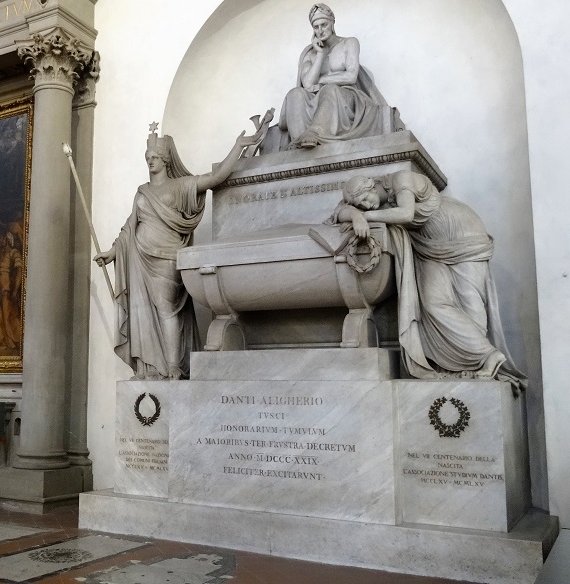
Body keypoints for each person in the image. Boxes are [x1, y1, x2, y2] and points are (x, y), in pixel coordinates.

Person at [95, 119, 268, 380]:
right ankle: (153, 367)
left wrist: (238, 147)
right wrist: (111, 252)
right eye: (148, 157)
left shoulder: (181, 186)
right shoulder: (141, 191)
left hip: (166, 259)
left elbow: (215, 178)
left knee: (166, 309)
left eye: (155, 156)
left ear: (165, 160)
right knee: (143, 312)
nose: (150, 161)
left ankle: (173, 365)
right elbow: (130, 227)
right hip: (139, 258)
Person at [333, 170, 526, 391]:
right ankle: (484, 356)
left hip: (462, 234)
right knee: (434, 303)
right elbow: (338, 211)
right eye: (361, 205)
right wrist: (355, 215)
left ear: (372, 186)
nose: (367, 206)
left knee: (470, 303)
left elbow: (406, 214)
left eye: (366, 199)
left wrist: (365, 217)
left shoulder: (401, 179)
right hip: (428, 246)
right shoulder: (374, 207)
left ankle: (480, 362)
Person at [279, 3, 387, 148]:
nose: (320, 30)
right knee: (294, 94)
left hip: (346, 98)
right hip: (318, 98)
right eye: (316, 27)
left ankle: (315, 132)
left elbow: (351, 77)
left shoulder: (349, 43)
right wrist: (320, 54)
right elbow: (308, 84)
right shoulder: (310, 54)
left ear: (332, 23)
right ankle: (299, 141)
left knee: (329, 89)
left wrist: (322, 81)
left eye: (324, 24)